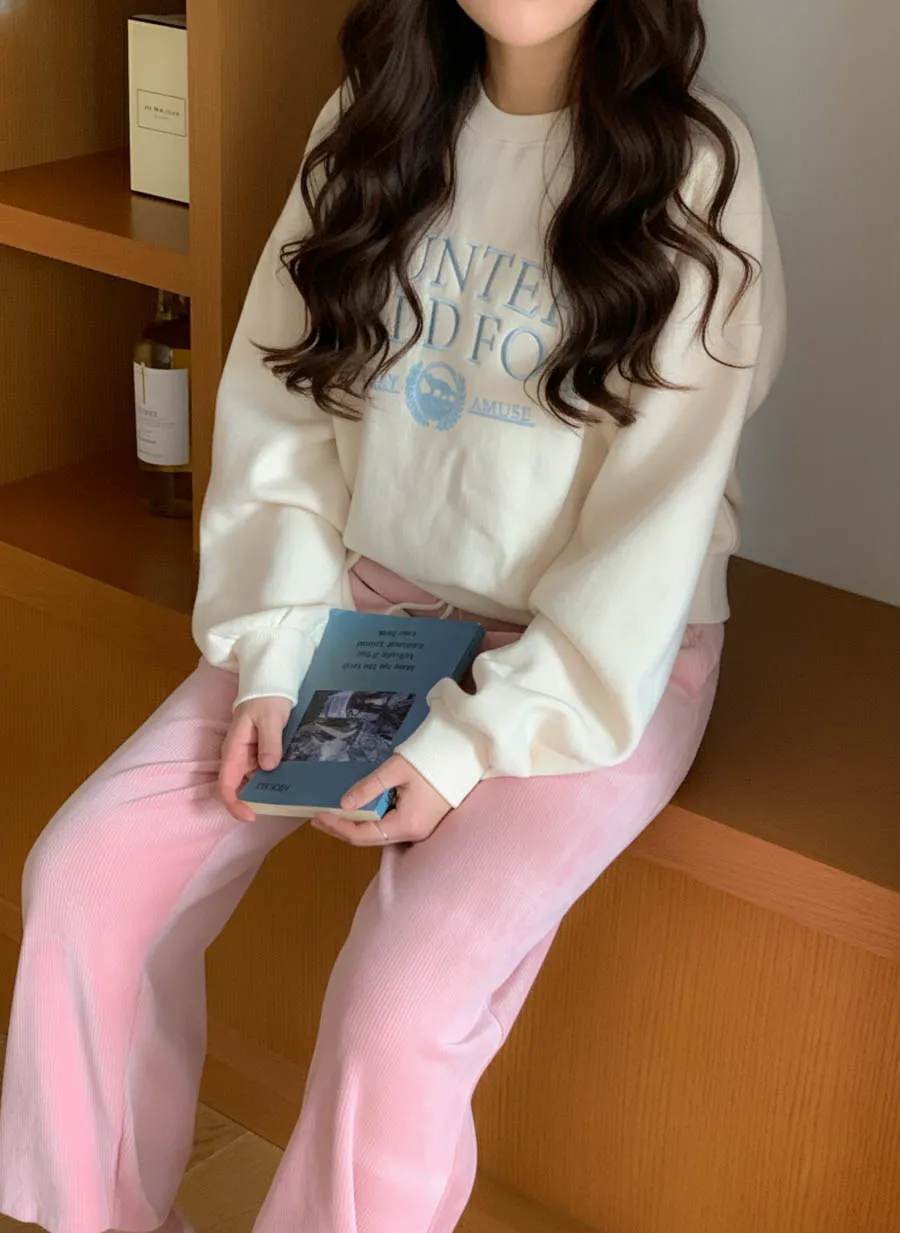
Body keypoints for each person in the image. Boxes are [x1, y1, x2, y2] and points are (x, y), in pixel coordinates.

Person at [0, 1, 787, 1232]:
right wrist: (275, 654)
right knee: (84, 877)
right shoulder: (373, 127)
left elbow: (655, 524)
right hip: (362, 603)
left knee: (396, 1014)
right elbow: (281, 412)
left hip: (589, 660)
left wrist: (463, 750)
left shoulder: (694, 167)